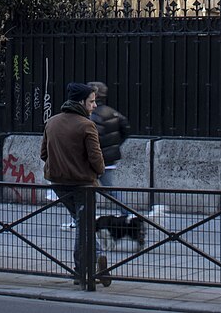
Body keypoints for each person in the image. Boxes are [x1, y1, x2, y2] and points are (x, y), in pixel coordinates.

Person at [39, 82, 111, 287]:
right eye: (92, 101)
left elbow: (43, 154)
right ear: (81, 102)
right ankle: (83, 270)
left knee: (82, 223)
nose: (95, 106)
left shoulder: (51, 122)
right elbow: (96, 159)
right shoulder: (87, 125)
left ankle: (95, 258)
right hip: (83, 184)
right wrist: (99, 172)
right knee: (83, 225)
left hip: (58, 183)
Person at [89, 79, 144, 244]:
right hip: (110, 157)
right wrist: (114, 145)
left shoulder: (93, 115)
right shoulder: (113, 113)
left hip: (96, 159)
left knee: (88, 188)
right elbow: (126, 128)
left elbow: (91, 138)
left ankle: (87, 218)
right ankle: (127, 215)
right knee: (109, 189)